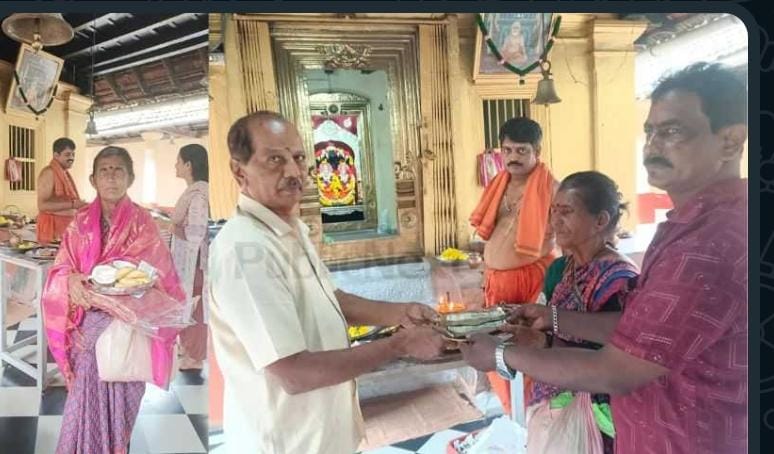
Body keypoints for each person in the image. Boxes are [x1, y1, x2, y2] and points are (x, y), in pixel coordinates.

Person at [461, 62, 748, 454]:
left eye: (672, 131)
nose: (652, 145)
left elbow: (616, 370)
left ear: (730, 141)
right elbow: (642, 332)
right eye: (650, 131)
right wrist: (551, 318)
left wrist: (500, 354)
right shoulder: (694, 225)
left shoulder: (708, 243)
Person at [208, 111, 445, 454]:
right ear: (238, 171)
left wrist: (401, 313)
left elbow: (329, 299)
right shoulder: (244, 249)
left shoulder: (290, 229)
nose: (293, 172)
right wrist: (399, 346)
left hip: (324, 436)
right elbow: (294, 374)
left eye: (298, 158)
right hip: (288, 444)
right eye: (274, 159)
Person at [41, 146, 186, 454]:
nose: (111, 177)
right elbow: (62, 267)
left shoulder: (142, 222)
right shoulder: (80, 222)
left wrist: (123, 293)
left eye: (118, 170)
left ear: (130, 178)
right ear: (93, 180)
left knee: (122, 402)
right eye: (104, 171)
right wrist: (70, 280)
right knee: (86, 389)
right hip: (86, 326)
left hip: (128, 327)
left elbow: (160, 274)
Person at [507, 171, 639, 453]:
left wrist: (547, 336)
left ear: (600, 221)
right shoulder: (559, 269)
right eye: (553, 211)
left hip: (597, 412)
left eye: (566, 212)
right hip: (552, 394)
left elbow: (621, 360)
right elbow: (549, 327)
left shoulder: (621, 279)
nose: (555, 221)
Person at [469, 117, 557, 414]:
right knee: (496, 350)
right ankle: (513, 415)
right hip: (497, 285)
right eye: (507, 150)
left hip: (533, 282)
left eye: (522, 151)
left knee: (528, 350)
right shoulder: (498, 184)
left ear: (537, 152)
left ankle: (533, 415)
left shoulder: (553, 189)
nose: (513, 157)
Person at [171, 144, 210, 370]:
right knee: (187, 304)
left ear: (188, 165)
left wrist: (170, 227)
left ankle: (195, 357)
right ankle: (188, 350)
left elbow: (196, 233)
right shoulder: (192, 192)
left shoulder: (199, 194)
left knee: (195, 306)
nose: (175, 165)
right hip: (188, 262)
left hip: (195, 263)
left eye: (178, 161)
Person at [37, 137, 88, 244]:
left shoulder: (64, 173)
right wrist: (73, 204)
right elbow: (42, 205)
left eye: (73, 154)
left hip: (65, 228)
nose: (72, 158)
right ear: (56, 155)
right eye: (67, 154)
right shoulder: (49, 173)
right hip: (52, 229)